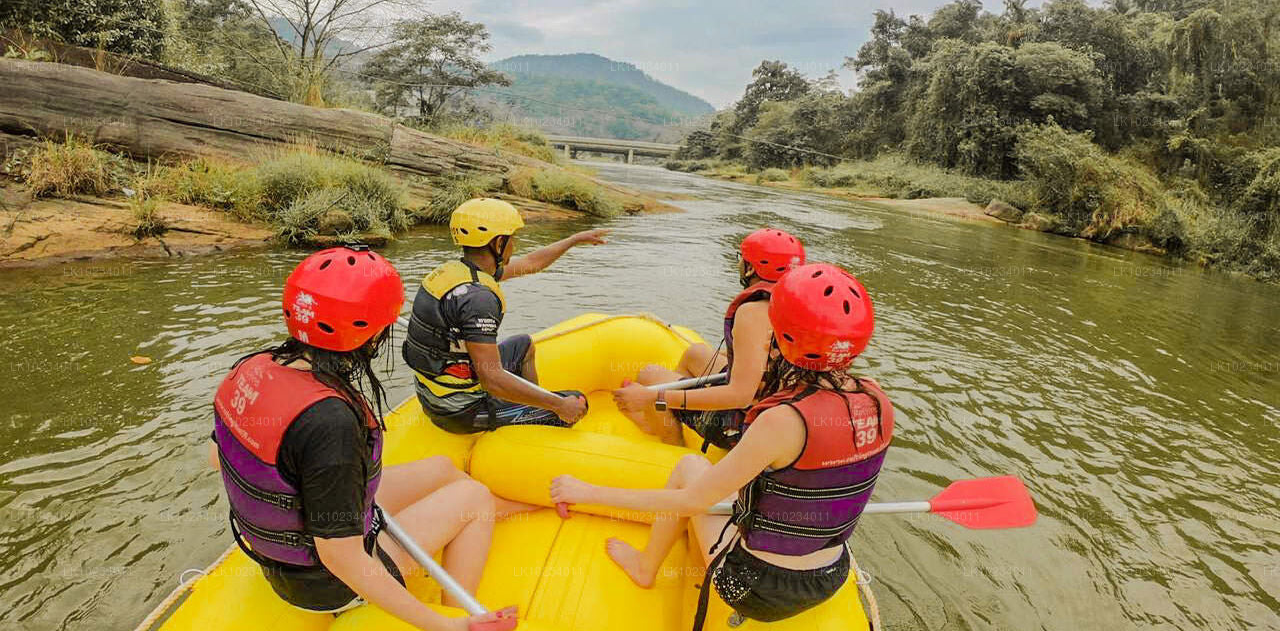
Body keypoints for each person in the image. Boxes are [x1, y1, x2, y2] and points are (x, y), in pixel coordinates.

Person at [551, 263, 891, 631]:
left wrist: (585, 491)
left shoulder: (781, 421)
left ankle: (644, 567)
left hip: (755, 586)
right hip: (830, 575)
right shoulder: (877, 400)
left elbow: (690, 501)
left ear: (783, 337)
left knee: (688, 469)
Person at [209, 246, 511, 631]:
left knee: (441, 469)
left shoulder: (251, 368)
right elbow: (341, 558)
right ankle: (460, 613)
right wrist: (444, 625)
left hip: (294, 538)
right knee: (473, 495)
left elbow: (220, 459)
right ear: (371, 334)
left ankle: (499, 510)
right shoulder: (331, 422)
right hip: (327, 584)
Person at [403, 197, 607, 434]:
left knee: (524, 345)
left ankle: (528, 412)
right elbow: (493, 379)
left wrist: (573, 240)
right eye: (512, 239)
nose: (515, 246)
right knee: (576, 402)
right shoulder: (479, 298)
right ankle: (535, 420)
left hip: (435, 392)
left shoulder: (453, 272)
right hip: (460, 411)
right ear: (499, 243)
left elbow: (531, 263)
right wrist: (558, 404)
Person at [613, 228, 805, 450]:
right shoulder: (797, 301)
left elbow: (741, 396)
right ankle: (666, 420)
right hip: (779, 403)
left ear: (751, 268)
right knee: (695, 353)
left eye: (741, 260)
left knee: (649, 375)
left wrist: (653, 396)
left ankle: (673, 442)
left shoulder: (753, 312)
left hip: (744, 425)